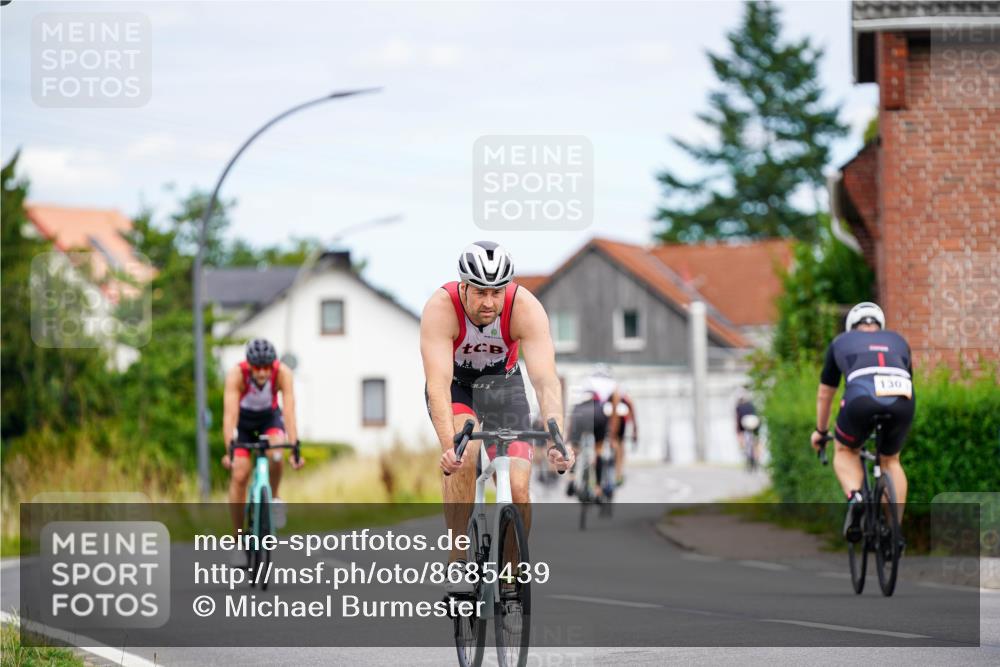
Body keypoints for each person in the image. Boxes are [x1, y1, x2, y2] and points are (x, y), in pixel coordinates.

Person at [420, 241, 574, 592]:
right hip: (458, 389)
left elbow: (545, 380)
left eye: (497, 292)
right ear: (464, 287)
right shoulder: (441, 308)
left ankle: (510, 575)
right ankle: (458, 559)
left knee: (519, 489)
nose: (489, 302)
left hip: (504, 388)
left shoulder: (525, 308)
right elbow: (438, 385)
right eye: (480, 292)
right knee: (466, 452)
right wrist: (449, 447)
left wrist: (557, 438)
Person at [810, 302, 914, 544]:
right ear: (880, 326)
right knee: (891, 460)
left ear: (851, 327)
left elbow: (825, 393)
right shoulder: (898, 340)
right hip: (902, 399)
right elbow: (909, 380)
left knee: (845, 449)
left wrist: (821, 431)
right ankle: (894, 531)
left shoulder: (841, 341)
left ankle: (856, 498)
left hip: (861, 396)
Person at [221, 338, 304, 564]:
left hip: (269, 418)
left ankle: (274, 498)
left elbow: (289, 410)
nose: (262, 373)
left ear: (273, 365)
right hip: (244, 423)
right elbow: (230, 416)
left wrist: (295, 447)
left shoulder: (283, 373)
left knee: (276, 451)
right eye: (257, 368)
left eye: (267, 367)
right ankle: (238, 541)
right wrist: (230, 449)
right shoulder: (236, 375)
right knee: (239, 475)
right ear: (249, 366)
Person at [567, 364, 624, 499]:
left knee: (575, 447)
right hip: (597, 411)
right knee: (598, 450)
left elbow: (573, 405)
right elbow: (615, 413)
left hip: (578, 411)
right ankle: (598, 487)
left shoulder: (585, 381)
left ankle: (572, 478)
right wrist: (613, 436)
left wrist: (569, 435)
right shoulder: (613, 384)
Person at [735, 391, 761, 471]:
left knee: (742, 438)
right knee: (756, 440)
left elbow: (737, 419)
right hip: (755, 421)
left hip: (745, 421)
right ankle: (757, 457)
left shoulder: (738, 406)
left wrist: (738, 432)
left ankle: (745, 453)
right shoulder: (751, 404)